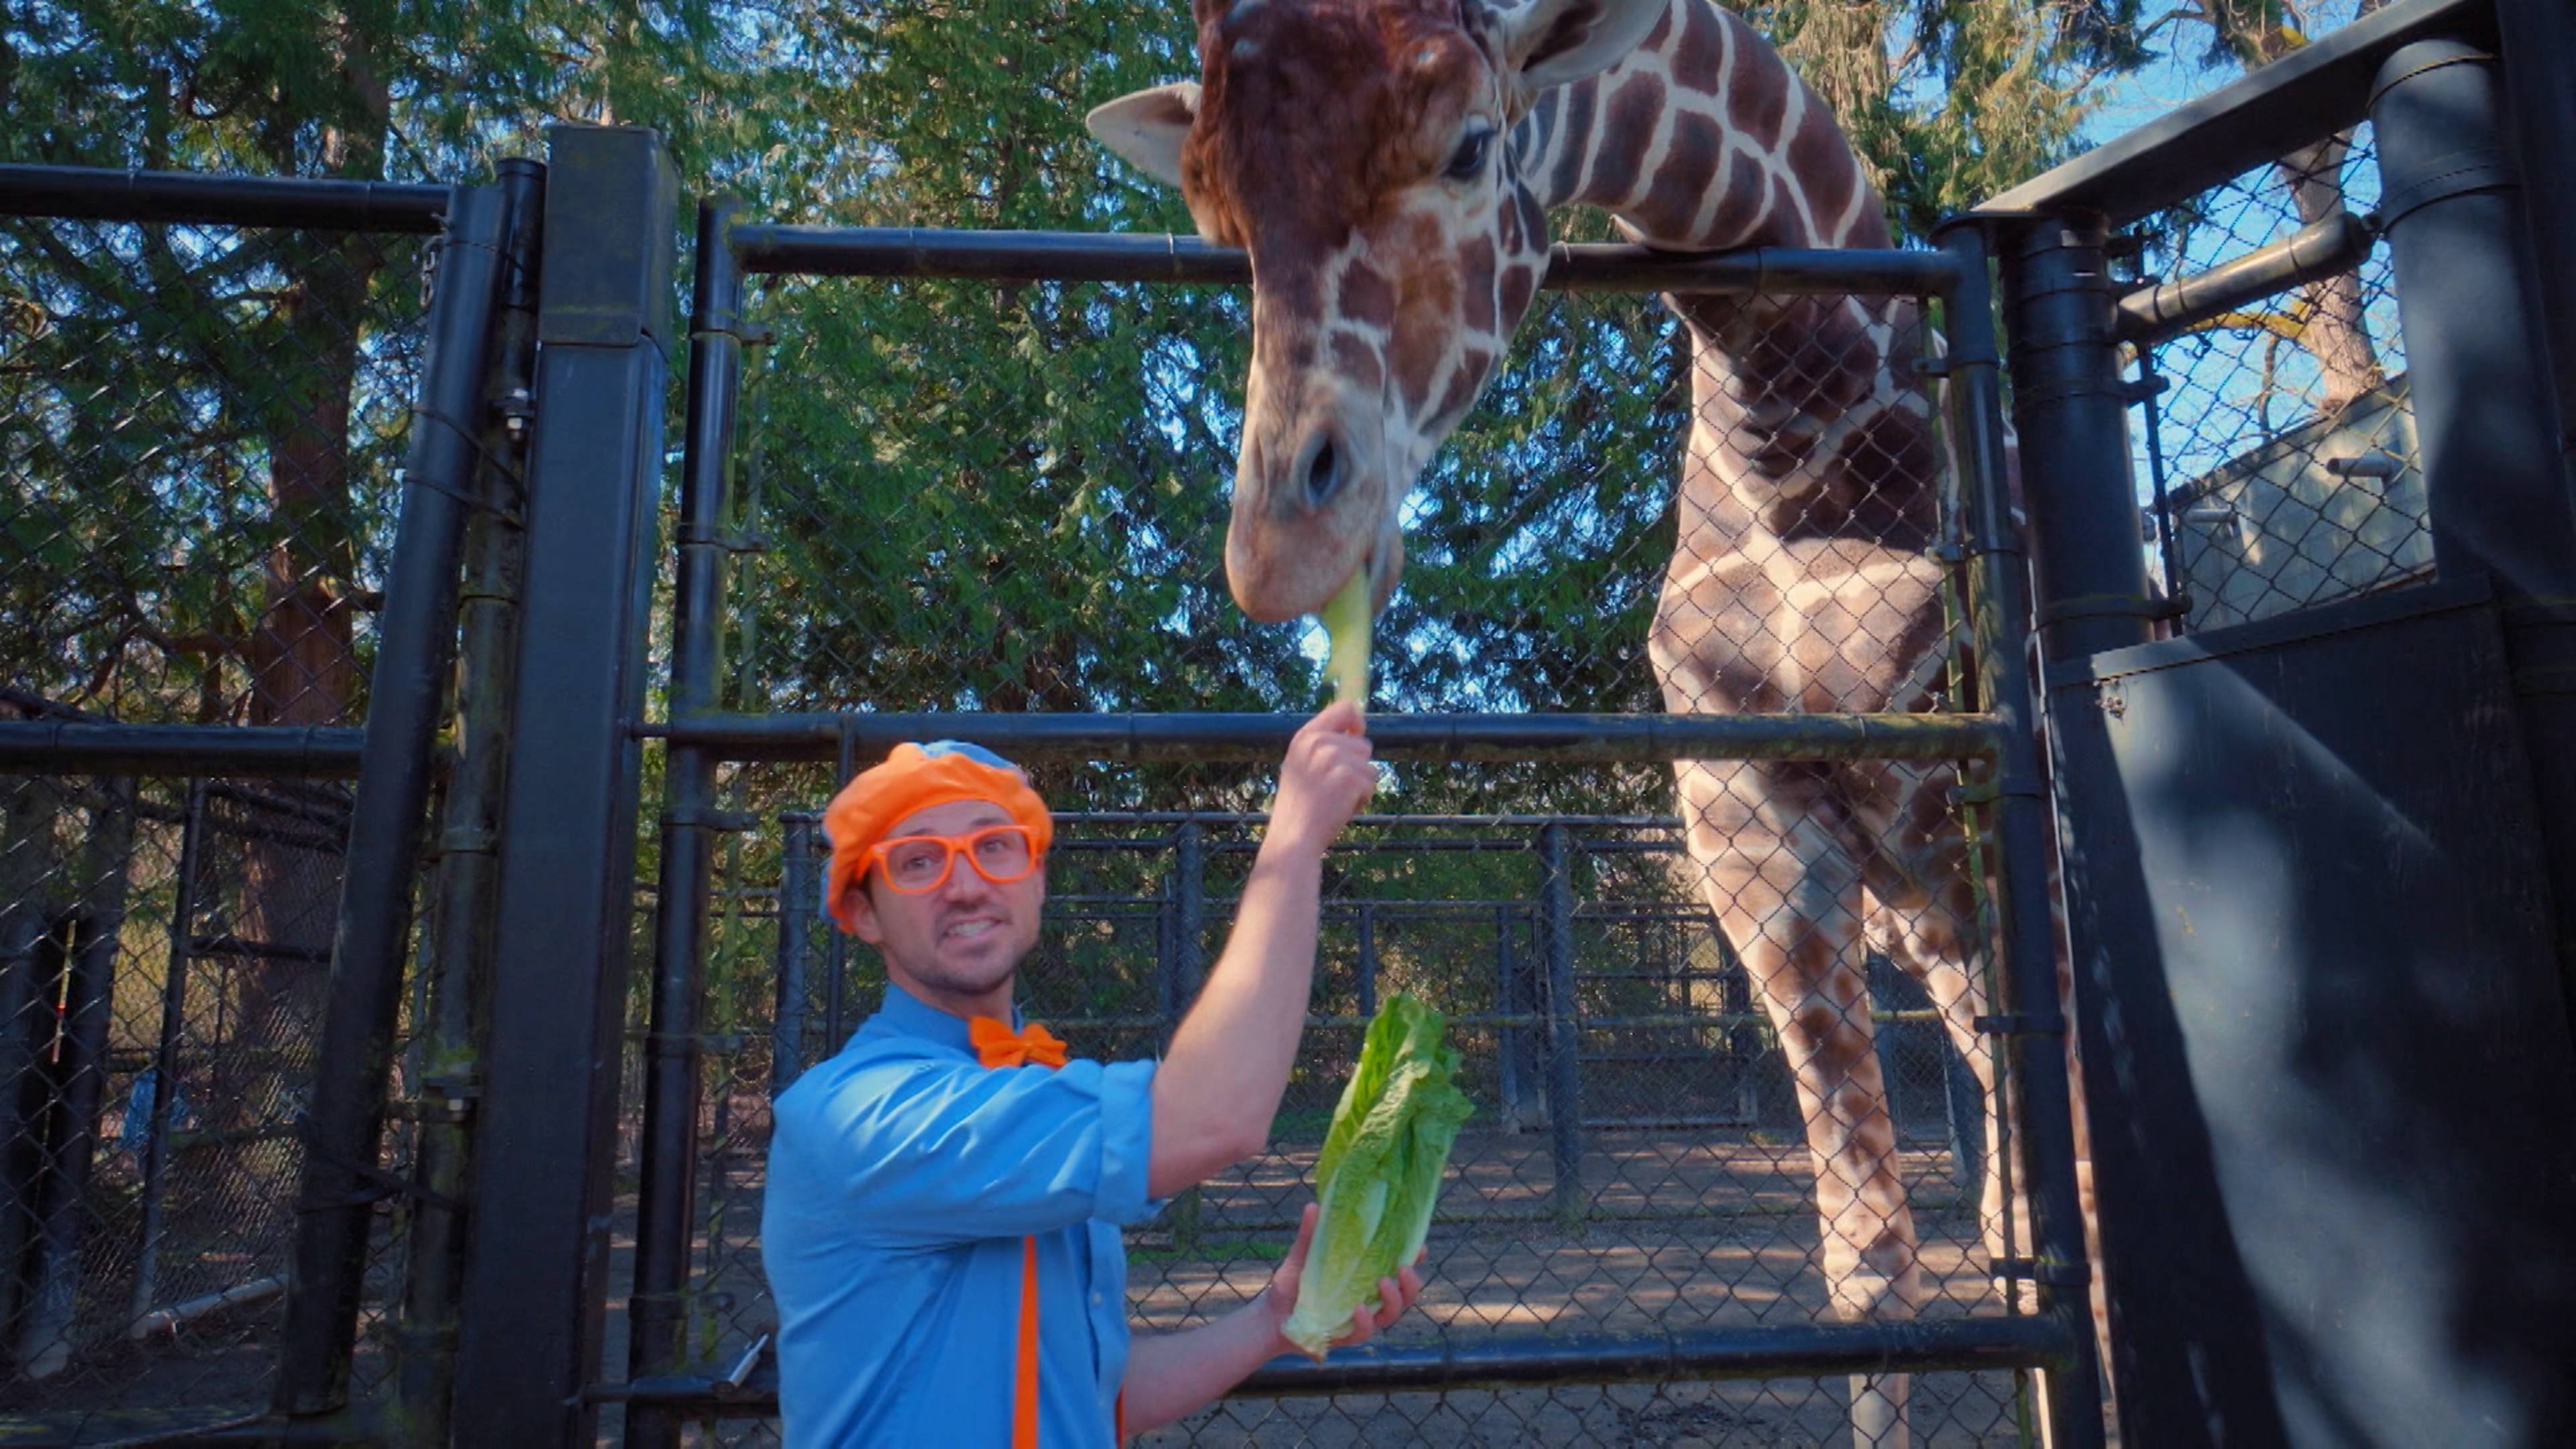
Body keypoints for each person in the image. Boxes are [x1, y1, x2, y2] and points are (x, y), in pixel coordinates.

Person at [760, 701, 1427, 1448]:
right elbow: (1213, 1118)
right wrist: (1296, 837)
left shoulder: (1030, 1086)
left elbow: (1089, 1394)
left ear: (1037, 879)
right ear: (864, 913)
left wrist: (1274, 1319)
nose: (966, 885)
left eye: (995, 847)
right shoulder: (858, 1113)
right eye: (918, 861)